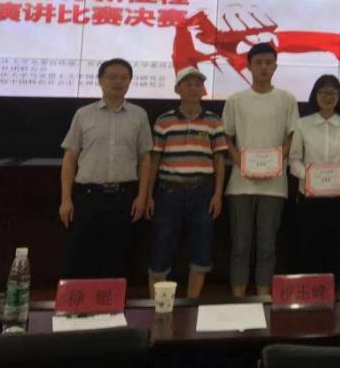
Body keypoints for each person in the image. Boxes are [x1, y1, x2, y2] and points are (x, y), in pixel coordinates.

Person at [59, 58, 152, 279]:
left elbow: (145, 159)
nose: (118, 82)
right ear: (100, 80)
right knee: (81, 256)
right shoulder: (83, 114)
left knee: (118, 258)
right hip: (87, 196)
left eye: (124, 77)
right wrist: (65, 200)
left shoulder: (139, 115)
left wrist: (142, 196)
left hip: (124, 197)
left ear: (130, 81)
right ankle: (79, 302)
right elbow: (70, 158)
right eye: (112, 77)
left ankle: (113, 302)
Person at [222, 42, 300, 296]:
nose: (264, 67)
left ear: (275, 66)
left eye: (268, 62)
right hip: (240, 184)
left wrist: (277, 161)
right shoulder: (235, 100)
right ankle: (238, 299)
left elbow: (293, 136)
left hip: (274, 186)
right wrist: (240, 161)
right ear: (249, 66)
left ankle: (263, 299)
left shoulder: (287, 99)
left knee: (267, 247)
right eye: (258, 63)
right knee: (240, 246)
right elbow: (226, 137)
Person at [146, 67, 227, 299]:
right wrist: (148, 195)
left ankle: (192, 304)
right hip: (168, 193)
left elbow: (219, 160)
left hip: (203, 193)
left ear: (203, 90)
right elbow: (154, 160)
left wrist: (218, 194)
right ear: (178, 89)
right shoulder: (164, 121)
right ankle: (158, 306)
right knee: (161, 248)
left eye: (197, 84)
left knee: (202, 249)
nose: (193, 88)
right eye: (188, 84)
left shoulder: (213, 121)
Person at [289, 74, 340, 278]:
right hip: (309, 199)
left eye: (332, 92)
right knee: (308, 250)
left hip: (338, 199)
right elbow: (294, 161)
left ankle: (335, 295)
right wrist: (310, 177)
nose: (328, 97)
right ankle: (311, 294)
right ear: (315, 95)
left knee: (336, 251)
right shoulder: (302, 124)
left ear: (339, 96)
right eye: (323, 92)